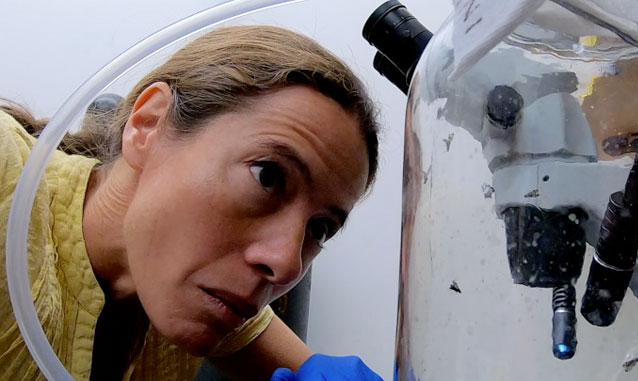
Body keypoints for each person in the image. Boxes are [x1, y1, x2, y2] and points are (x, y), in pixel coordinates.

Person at [0, 25, 383, 380]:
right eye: (267, 175)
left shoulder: (200, 293)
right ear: (148, 124)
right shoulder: (6, 176)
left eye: (319, 228)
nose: (286, 264)